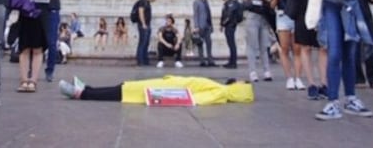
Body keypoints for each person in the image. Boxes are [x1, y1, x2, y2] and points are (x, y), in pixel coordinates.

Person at [59, 75, 254, 105]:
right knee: (124, 87)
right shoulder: (219, 87)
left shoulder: (221, 92)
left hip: (164, 90)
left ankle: (82, 94)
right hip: (166, 84)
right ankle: (87, 89)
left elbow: (197, 99)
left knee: (122, 93)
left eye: (242, 82)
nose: (240, 79)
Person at [18, 0, 58, 92]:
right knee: (24, 47)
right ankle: (23, 80)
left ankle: (33, 81)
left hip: (42, 12)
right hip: (27, 11)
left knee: (38, 48)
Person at [37, 0, 68, 83]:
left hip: (51, 9)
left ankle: (49, 70)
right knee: (35, 42)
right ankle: (31, 70)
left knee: (51, 42)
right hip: (35, 9)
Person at [242, 0, 273, 82]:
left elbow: (269, 1)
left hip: (263, 18)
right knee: (252, 46)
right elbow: (246, 1)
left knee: (264, 46)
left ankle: (266, 71)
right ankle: (253, 72)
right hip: (252, 16)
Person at [133, 0, 158, 66]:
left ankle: (145, 60)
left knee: (146, 43)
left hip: (147, 24)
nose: (155, 0)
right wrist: (143, 24)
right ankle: (140, 60)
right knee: (142, 43)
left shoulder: (147, 3)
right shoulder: (143, 1)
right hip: (143, 25)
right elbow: (141, 12)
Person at [193, 0, 216, 67]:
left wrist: (211, 25)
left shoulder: (206, 1)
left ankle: (210, 60)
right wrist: (196, 26)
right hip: (200, 26)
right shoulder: (196, 2)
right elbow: (195, 15)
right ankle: (202, 61)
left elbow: (209, 14)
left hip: (208, 25)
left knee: (209, 43)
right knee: (200, 43)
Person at [219, 0, 242, 69]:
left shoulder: (230, 3)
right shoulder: (227, 3)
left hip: (230, 25)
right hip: (229, 25)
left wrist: (223, 24)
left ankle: (233, 62)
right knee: (230, 44)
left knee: (232, 44)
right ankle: (231, 61)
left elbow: (228, 15)